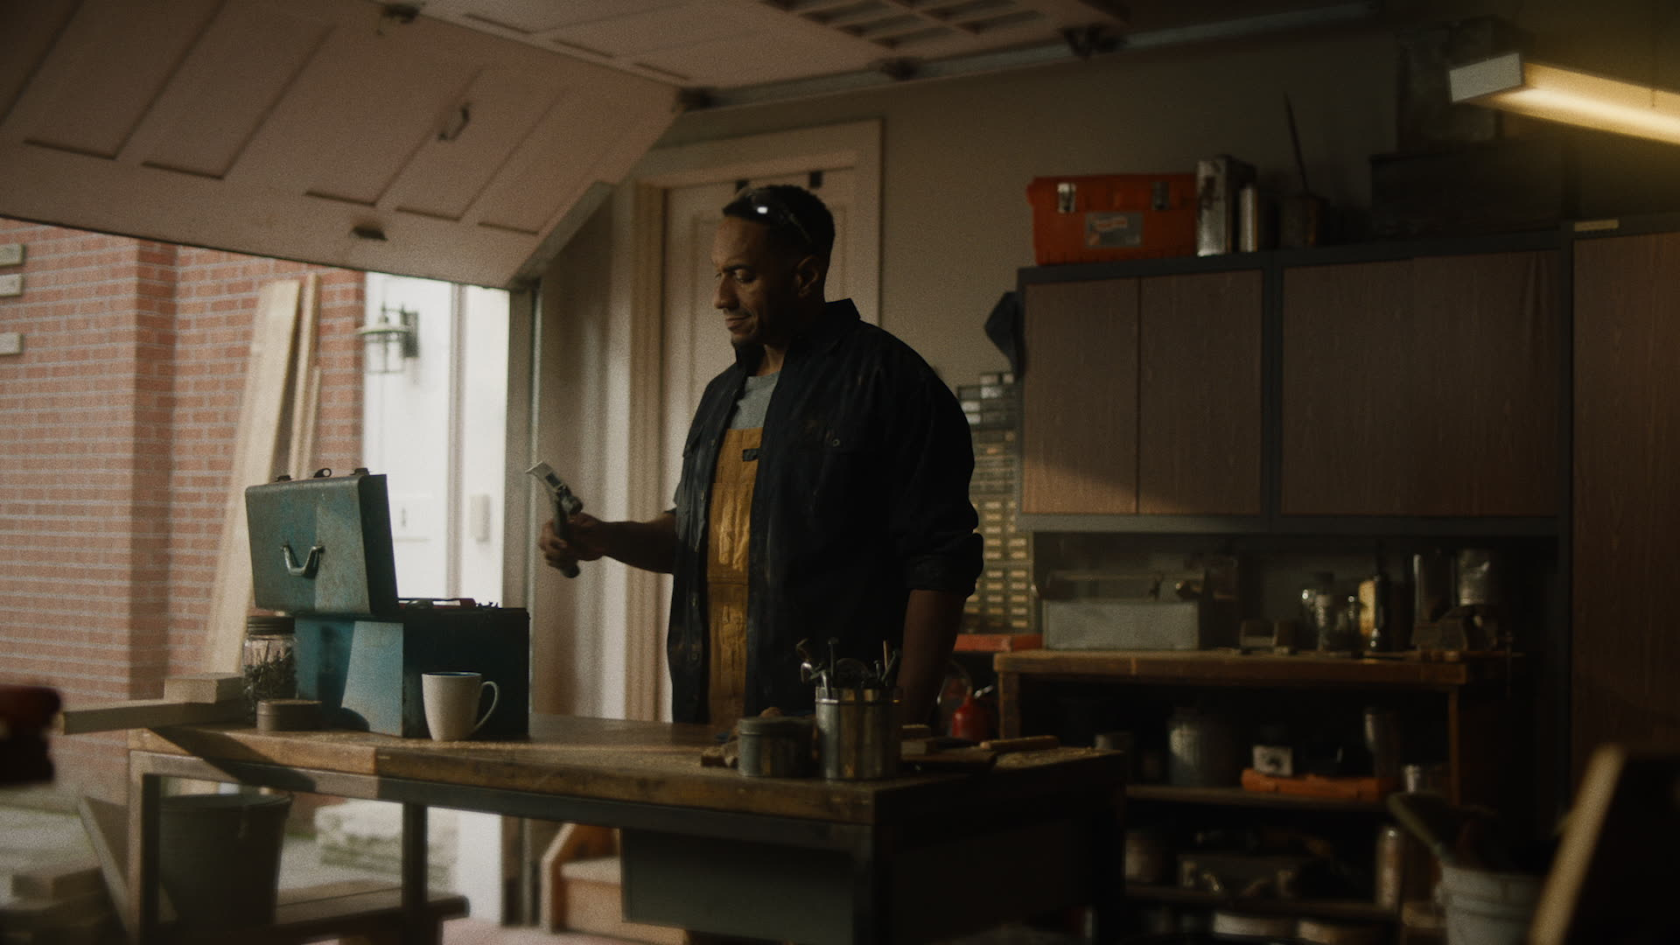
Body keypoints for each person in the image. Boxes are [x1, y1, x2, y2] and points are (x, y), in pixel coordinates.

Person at [539, 184, 981, 729]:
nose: (720, 297)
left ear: (805, 276)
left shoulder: (888, 382)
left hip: (841, 729)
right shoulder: (722, 395)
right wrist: (603, 537)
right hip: (709, 723)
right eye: (718, 274)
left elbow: (940, 564)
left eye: (742, 276)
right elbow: (696, 540)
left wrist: (905, 723)